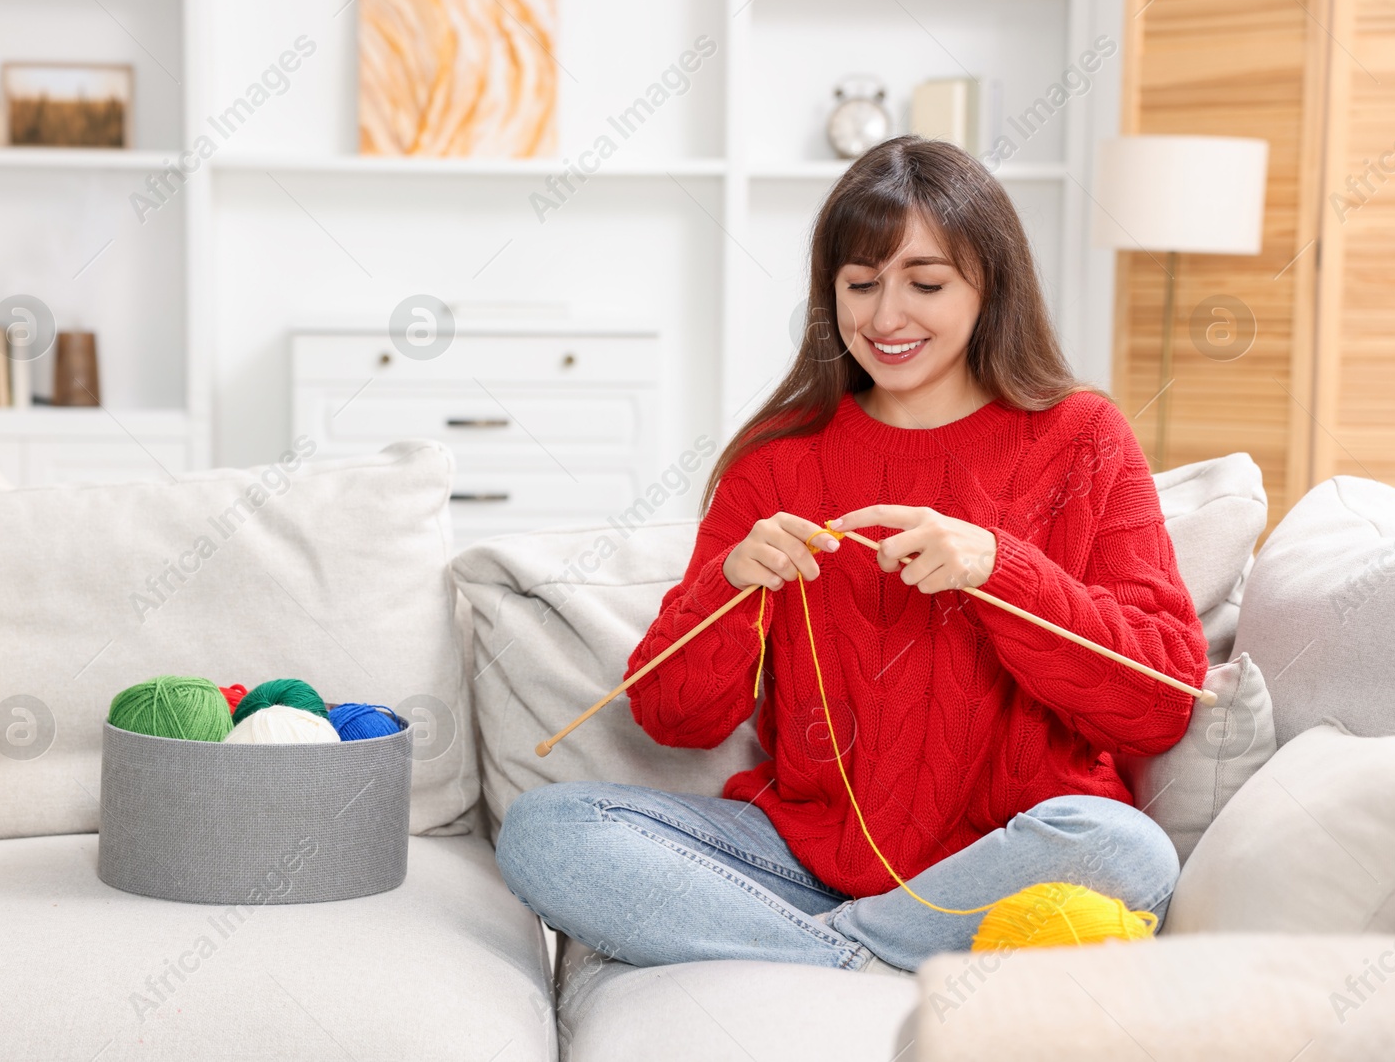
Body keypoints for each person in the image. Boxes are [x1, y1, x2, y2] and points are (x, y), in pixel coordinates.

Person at [495, 136, 1208, 974]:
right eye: (860, 284)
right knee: (549, 830)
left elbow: (1161, 700)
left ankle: (818, 953)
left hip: (1001, 858)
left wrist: (999, 567)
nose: (885, 317)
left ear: (991, 285)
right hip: (796, 859)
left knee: (1129, 853)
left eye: (925, 283)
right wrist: (732, 585)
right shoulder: (777, 459)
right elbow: (672, 718)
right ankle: (868, 956)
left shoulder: (1083, 437)